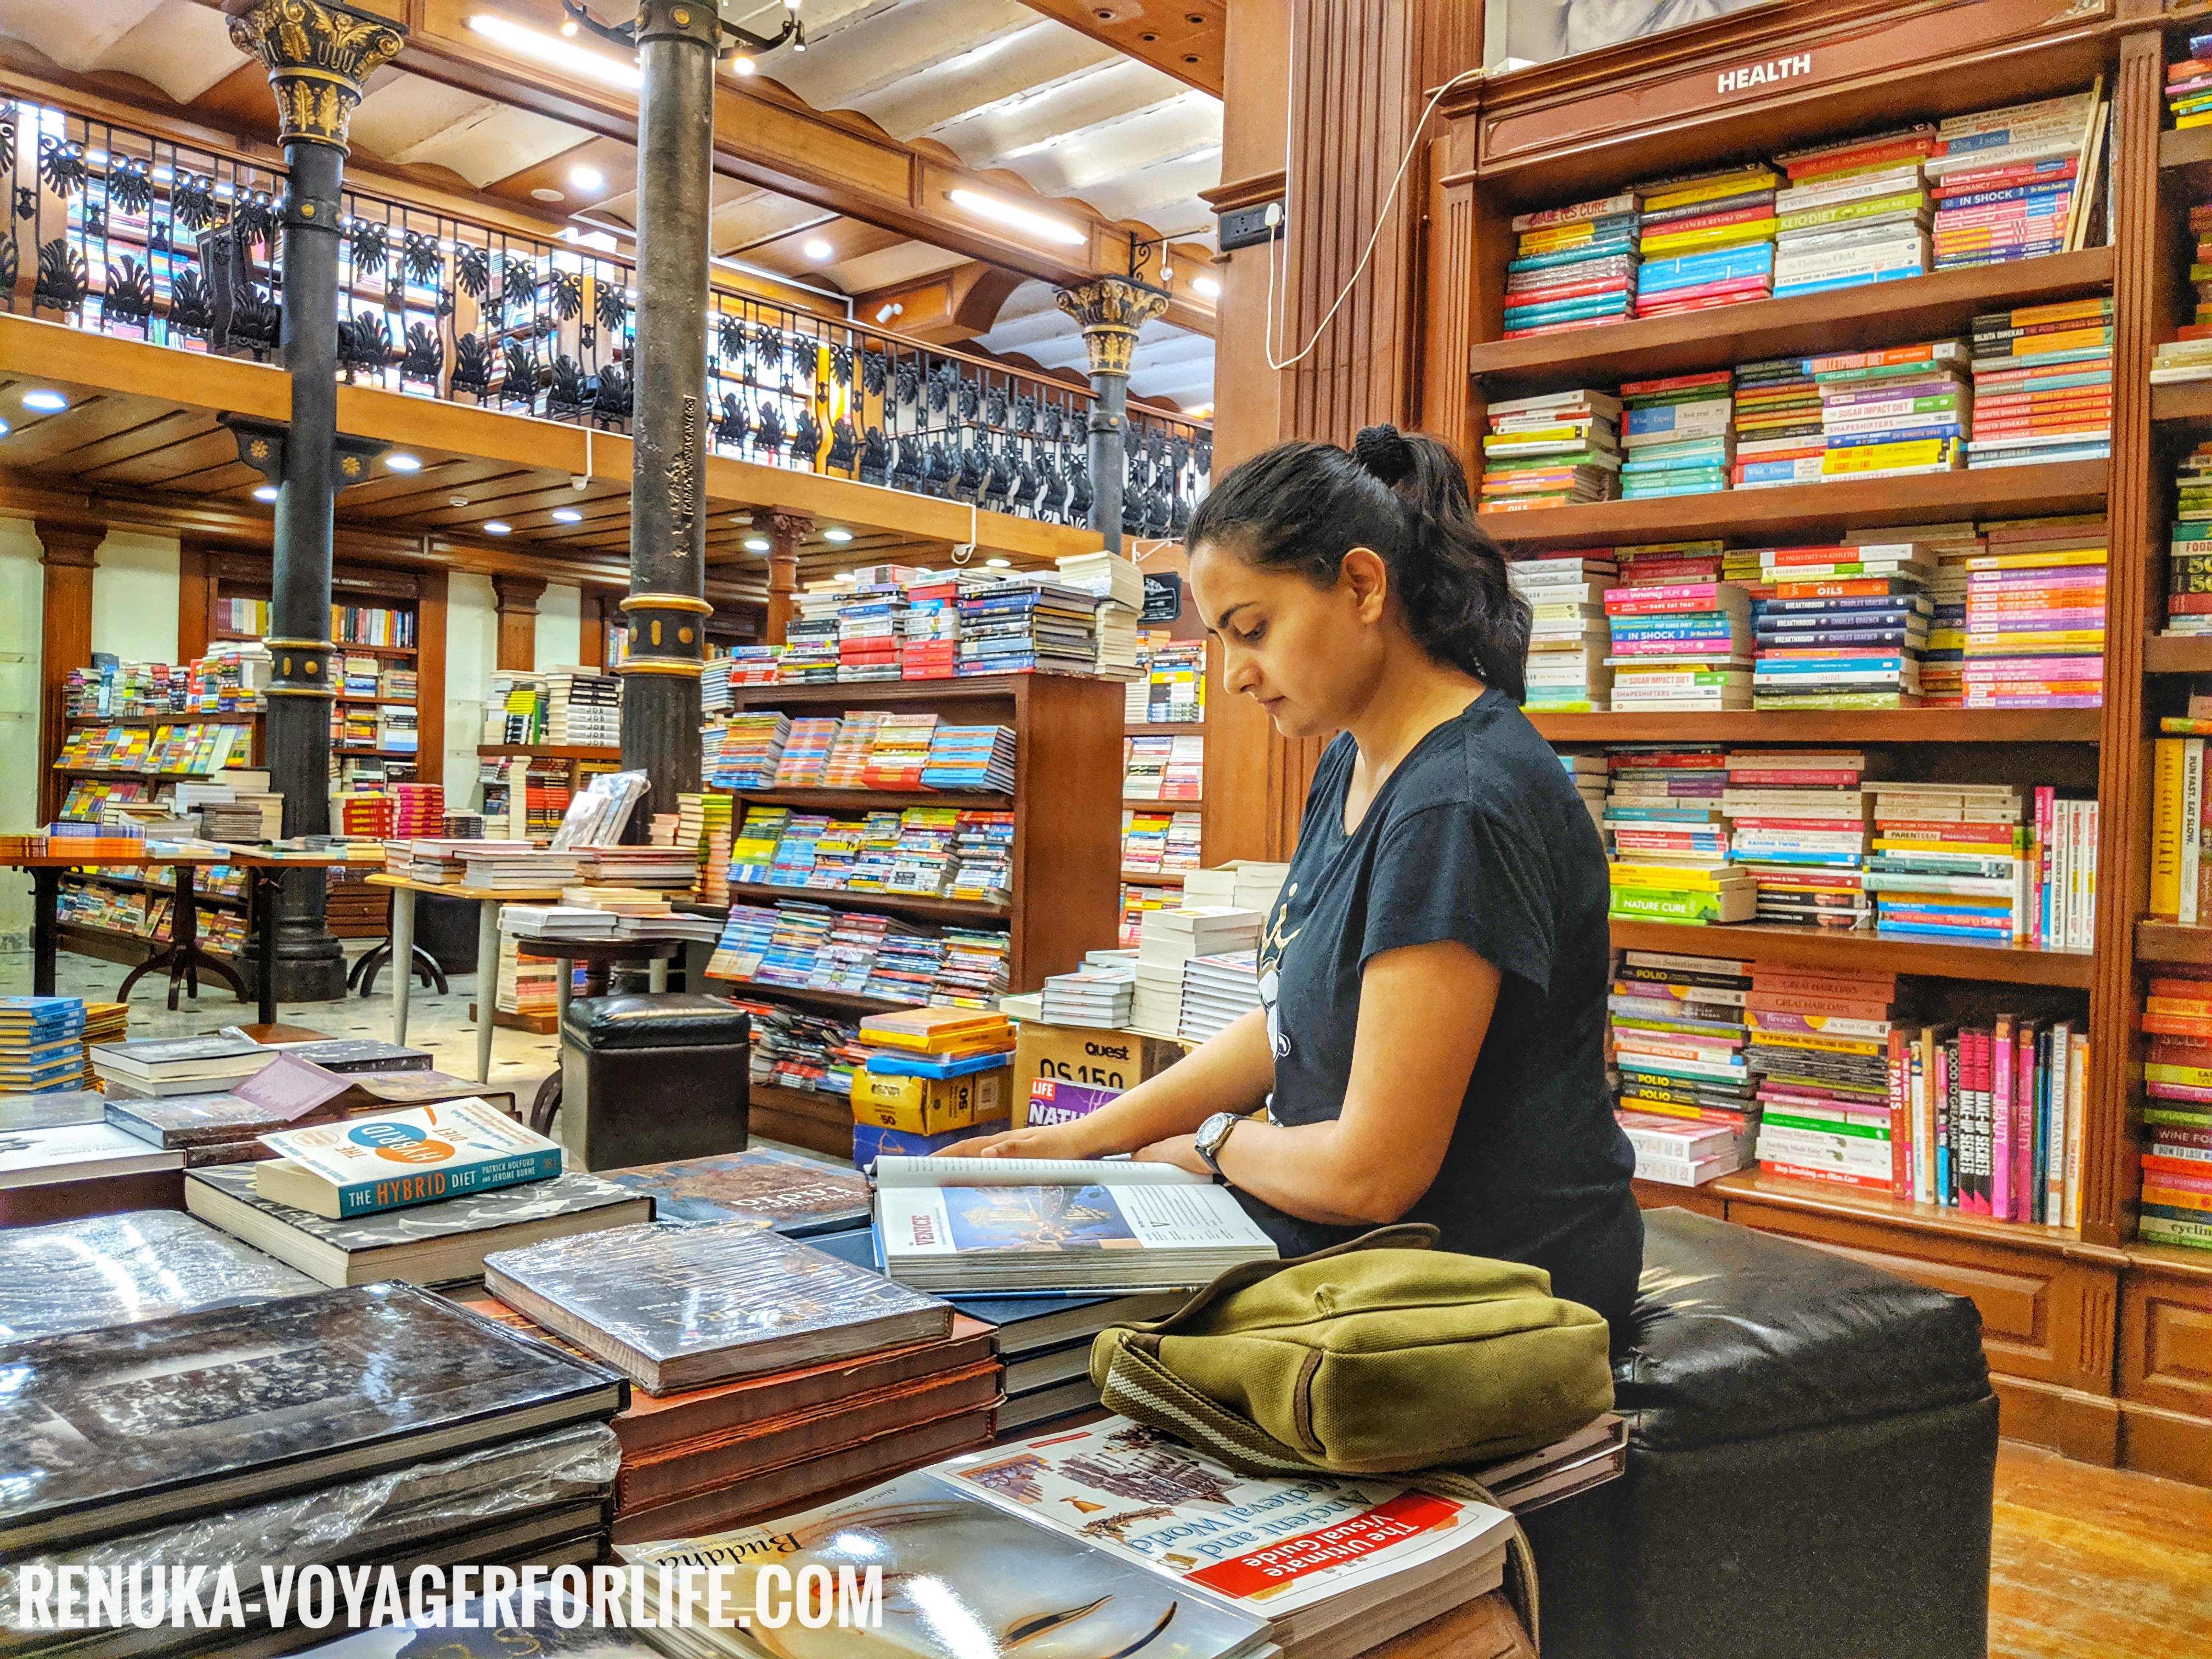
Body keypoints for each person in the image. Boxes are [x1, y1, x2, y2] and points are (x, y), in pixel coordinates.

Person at [949, 424, 1643, 1334]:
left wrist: (1211, 1145)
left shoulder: (1457, 805)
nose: (1235, 675)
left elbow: (1371, 1174)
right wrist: (1089, 1138)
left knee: (1023, 1332)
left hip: (1478, 1283)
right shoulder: (1356, 758)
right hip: (1362, 1244)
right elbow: (1289, 1020)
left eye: (1253, 630)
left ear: (1362, 585)